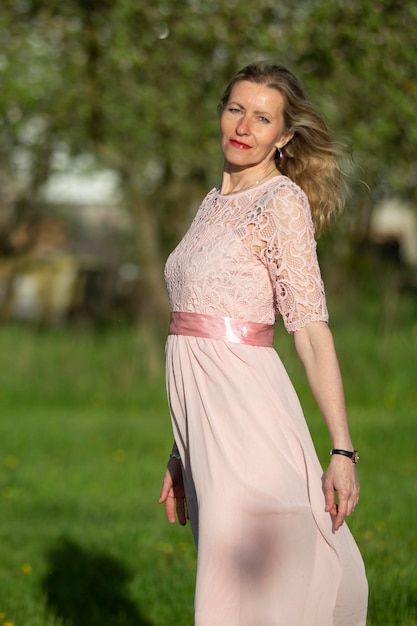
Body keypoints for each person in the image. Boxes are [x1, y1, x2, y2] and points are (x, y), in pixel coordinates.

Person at [159, 62, 368, 626]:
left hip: (250, 422)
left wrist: (342, 450)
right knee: (237, 581)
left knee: (248, 583)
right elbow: (192, 333)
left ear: (285, 134)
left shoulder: (279, 203)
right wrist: (181, 450)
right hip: (207, 432)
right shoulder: (211, 203)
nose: (244, 126)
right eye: (235, 109)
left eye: (263, 117)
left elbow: (311, 330)